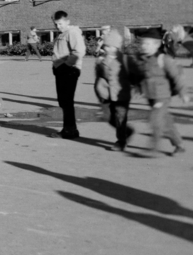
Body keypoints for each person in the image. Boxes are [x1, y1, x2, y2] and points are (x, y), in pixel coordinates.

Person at [125, 28, 187, 156]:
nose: (144, 46)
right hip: (151, 96)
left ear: (157, 44)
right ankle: (179, 144)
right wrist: (137, 88)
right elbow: (142, 77)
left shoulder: (163, 59)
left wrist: (183, 93)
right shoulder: (142, 59)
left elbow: (177, 76)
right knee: (165, 122)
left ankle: (153, 149)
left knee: (155, 120)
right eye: (143, 43)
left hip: (162, 97)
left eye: (148, 44)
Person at [93, 29, 132, 151]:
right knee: (109, 117)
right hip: (107, 95)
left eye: (111, 46)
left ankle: (121, 142)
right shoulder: (101, 60)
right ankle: (127, 131)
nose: (108, 49)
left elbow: (134, 74)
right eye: (106, 46)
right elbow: (99, 78)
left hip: (121, 94)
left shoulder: (125, 60)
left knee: (120, 118)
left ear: (117, 46)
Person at [50, 11, 86, 140]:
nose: (58, 26)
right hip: (62, 70)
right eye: (56, 24)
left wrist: (65, 66)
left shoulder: (72, 33)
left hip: (69, 70)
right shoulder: (62, 34)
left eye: (60, 23)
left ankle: (69, 130)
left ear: (67, 21)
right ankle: (71, 129)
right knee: (64, 101)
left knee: (66, 101)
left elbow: (79, 51)